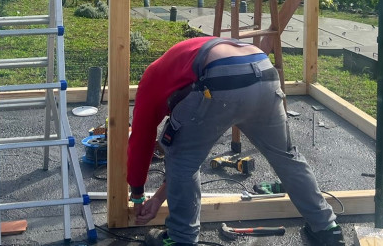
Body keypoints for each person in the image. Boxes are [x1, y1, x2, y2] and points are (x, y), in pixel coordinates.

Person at [127, 36, 346, 246]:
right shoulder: (182, 59)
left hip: (220, 79)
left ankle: (180, 239)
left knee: (181, 159)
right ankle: (327, 229)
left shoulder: (150, 81)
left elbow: (141, 140)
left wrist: (137, 195)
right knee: (287, 157)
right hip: (264, 72)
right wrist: (157, 198)